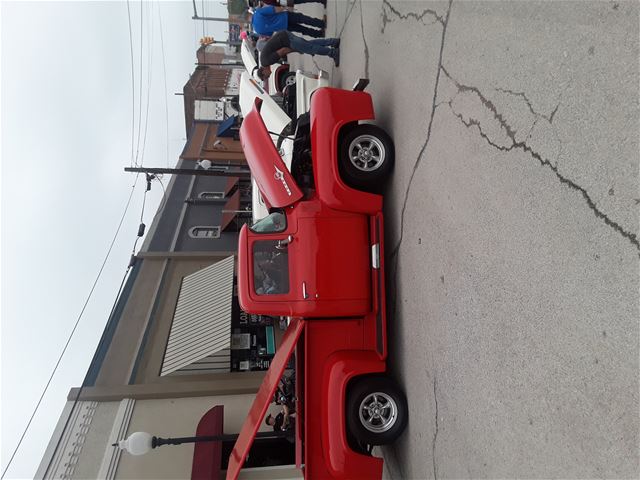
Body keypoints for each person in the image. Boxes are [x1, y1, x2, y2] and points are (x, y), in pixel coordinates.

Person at [257, 30, 339, 81]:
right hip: (283, 35)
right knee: (309, 44)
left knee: (310, 48)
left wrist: (297, 49)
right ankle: (333, 42)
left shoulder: (267, 61)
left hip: (286, 39)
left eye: (266, 76)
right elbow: (283, 51)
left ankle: (333, 53)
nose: (269, 76)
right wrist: (297, 50)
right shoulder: (264, 60)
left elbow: (283, 50)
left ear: (263, 72)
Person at [252, 5, 325, 38]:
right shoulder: (258, 13)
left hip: (283, 27)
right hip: (284, 17)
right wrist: (285, 8)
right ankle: (320, 23)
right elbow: (274, 10)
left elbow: (271, 33)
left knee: (302, 29)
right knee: (302, 18)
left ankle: (318, 34)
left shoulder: (257, 30)